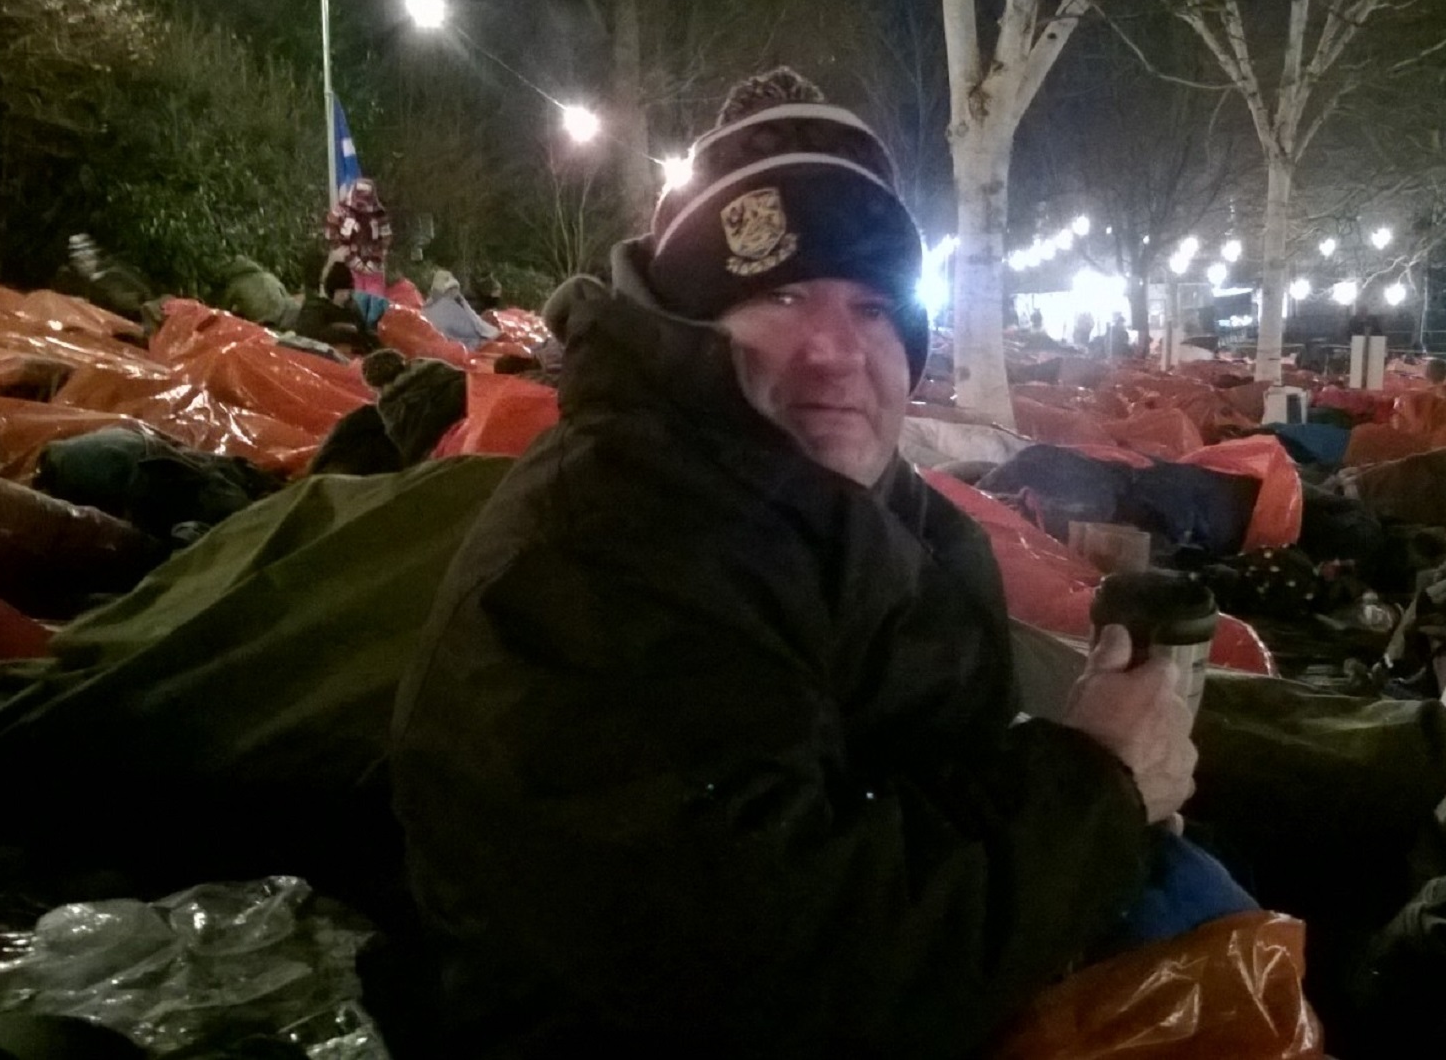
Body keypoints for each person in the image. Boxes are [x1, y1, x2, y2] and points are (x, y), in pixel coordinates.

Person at [385, 69, 1209, 1058]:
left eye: (871, 307)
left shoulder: (823, 499)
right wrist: (1096, 788)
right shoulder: (605, 547)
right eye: (779, 294)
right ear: (684, 329)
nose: (834, 349)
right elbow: (782, 968)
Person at [418, 269, 500, 349]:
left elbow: (476, 322)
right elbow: (471, 330)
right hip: (460, 346)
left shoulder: (457, 301)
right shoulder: (441, 307)